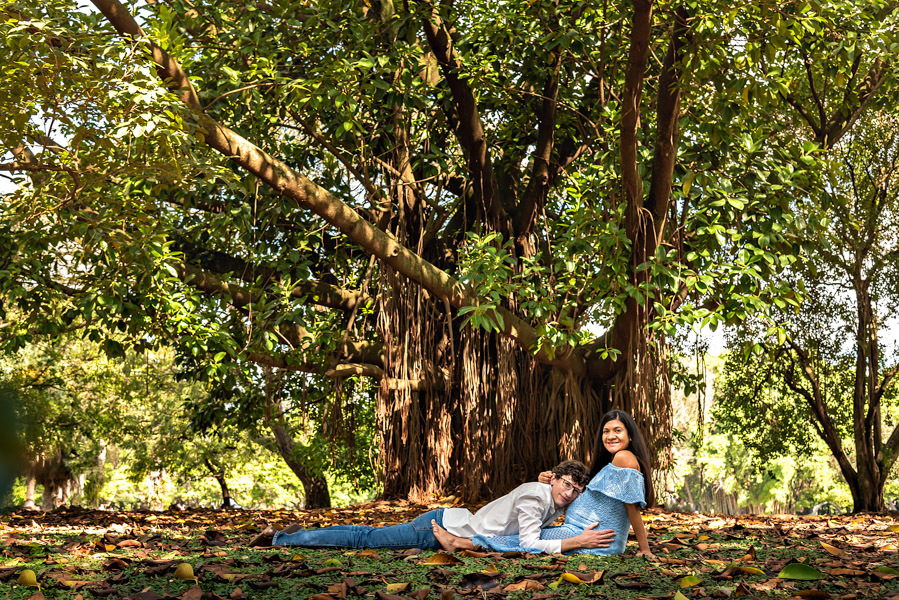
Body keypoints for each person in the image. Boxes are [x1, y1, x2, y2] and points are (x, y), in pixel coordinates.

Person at [250, 460, 615, 552]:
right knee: (365, 539)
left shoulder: (547, 492)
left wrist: (549, 480)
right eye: (566, 484)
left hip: (450, 523)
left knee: (368, 537)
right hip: (439, 528)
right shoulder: (540, 496)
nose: (570, 493)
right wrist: (575, 542)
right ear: (555, 481)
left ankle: (300, 535)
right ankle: (283, 539)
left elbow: (532, 519)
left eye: (576, 489)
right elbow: (528, 543)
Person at [432, 409, 655, 558]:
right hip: (582, 532)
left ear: (630, 435)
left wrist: (644, 549)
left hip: (593, 538)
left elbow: (631, 506)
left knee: (528, 541)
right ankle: (466, 541)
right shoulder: (614, 462)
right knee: (533, 536)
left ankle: (462, 544)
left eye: (618, 430)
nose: (611, 436)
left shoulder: (624, 458)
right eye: (606, 431)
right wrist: (549, 481)